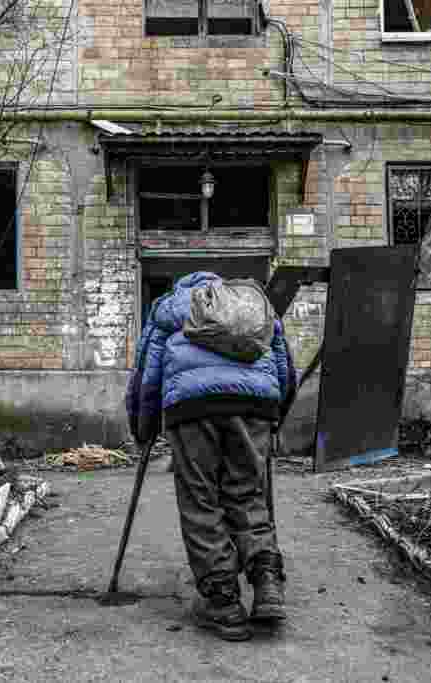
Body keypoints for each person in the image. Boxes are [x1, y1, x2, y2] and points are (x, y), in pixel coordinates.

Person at [125, 271, 297, 641]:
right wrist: (274, 415)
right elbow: (284, 368)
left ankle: (223, 602)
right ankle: (266, 580)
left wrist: (143, 428)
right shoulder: (254, 304)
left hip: (192, 408)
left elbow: (146, 377)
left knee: (200, 499)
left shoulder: (168, 308)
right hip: (255, 404)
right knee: (247, 493)